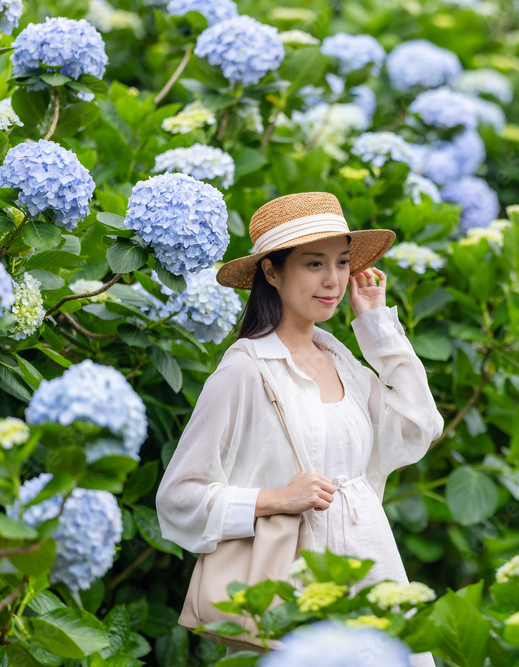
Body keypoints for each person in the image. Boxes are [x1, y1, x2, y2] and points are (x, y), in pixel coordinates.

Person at [155, 192, 443, 666]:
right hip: (294, 595)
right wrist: (276, 499)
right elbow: (177, 499)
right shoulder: (245, 372)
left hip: (374, 573)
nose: (333, 281)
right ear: (272, 271)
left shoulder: (343, 363)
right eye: (314, 264)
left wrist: (376, 327)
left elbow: (419, 426)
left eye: (342, 263)